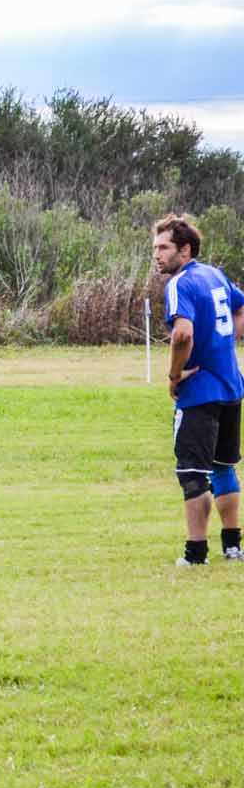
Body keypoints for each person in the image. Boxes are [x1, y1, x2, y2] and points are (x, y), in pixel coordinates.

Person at [154, 214, 244, 566]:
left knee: (193, 474)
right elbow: (240, 306)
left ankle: (195, 554)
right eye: (156, 248)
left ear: (185, 250)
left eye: (164, 248)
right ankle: (233, 546)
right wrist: (225, 342)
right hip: (231, 387)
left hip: (200, 392)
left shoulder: (180, 284)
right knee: (224, 467)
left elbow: (182, 333)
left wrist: (175, 375)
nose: (157, 255)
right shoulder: (215, 275)